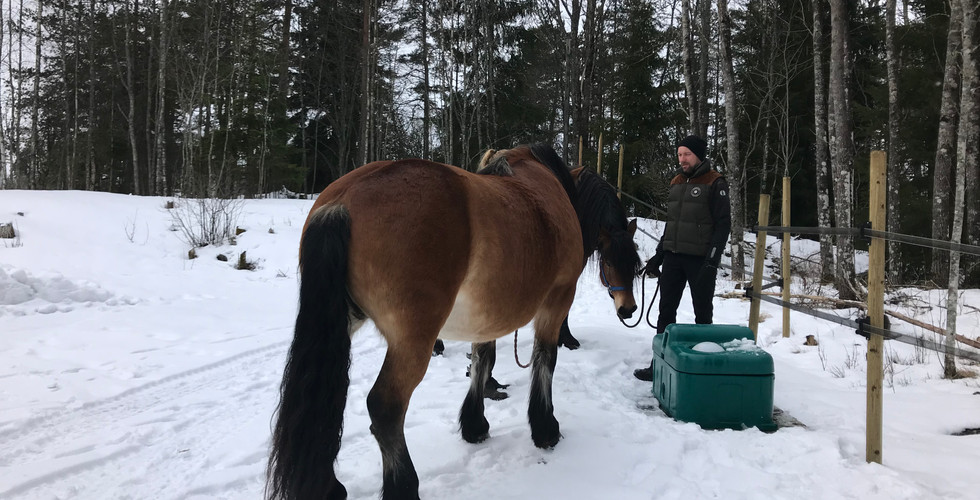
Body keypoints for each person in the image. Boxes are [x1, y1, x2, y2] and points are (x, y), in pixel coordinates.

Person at [634, 135, 731, 381]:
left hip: (700, 260)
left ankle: (704, 367)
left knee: (702, 315)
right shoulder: (676, 181)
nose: (682, 159)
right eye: (679, 154)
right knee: (665, 312)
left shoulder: (715, 182)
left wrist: (712, 260)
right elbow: (672, 224)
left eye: (687, 154)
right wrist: (658, 256)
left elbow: (723, 225)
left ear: (698, 155)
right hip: (673, 259)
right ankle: (659, 364)